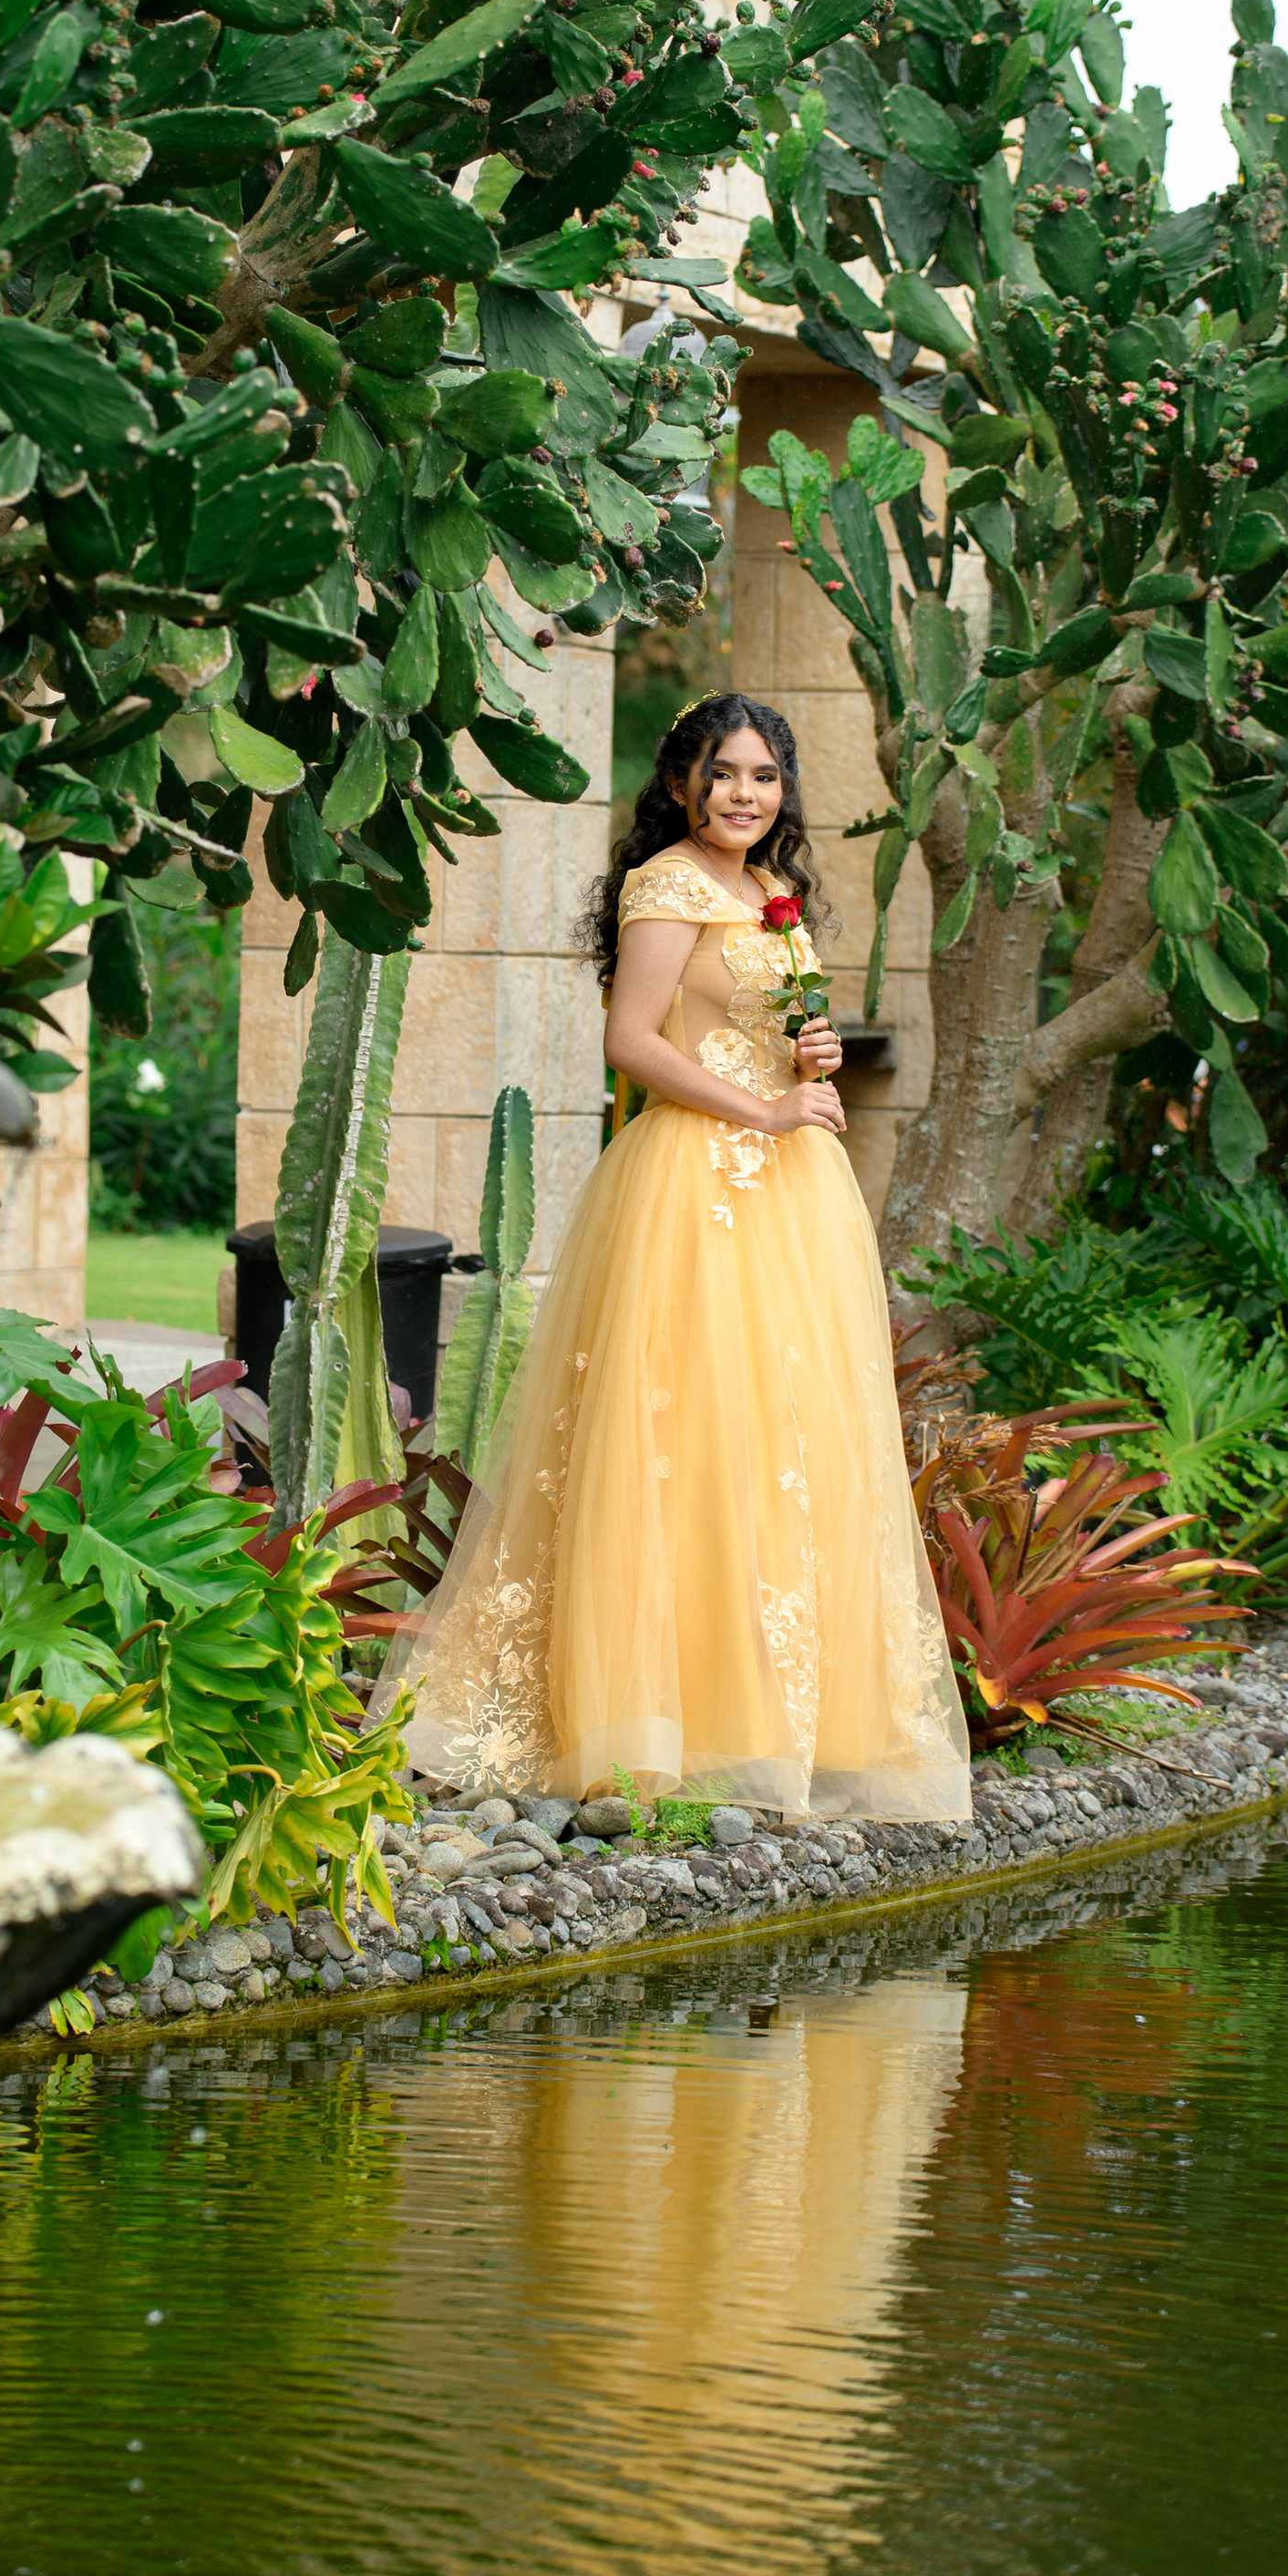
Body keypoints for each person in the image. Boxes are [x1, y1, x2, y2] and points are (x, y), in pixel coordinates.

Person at [378, 693, 970, 1822]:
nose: (744, 794)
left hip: (788, 1187)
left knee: (773, 1441)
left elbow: (748, 1021)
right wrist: (764, 1107)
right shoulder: (667, 886)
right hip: (694, 1183)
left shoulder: (768, 894)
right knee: (674, 1433)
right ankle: (639, 1721)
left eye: (763, 775)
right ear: (681, 783)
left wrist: (812, 1053)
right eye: (723, 773)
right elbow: (634, 1042)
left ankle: (764, 1716)